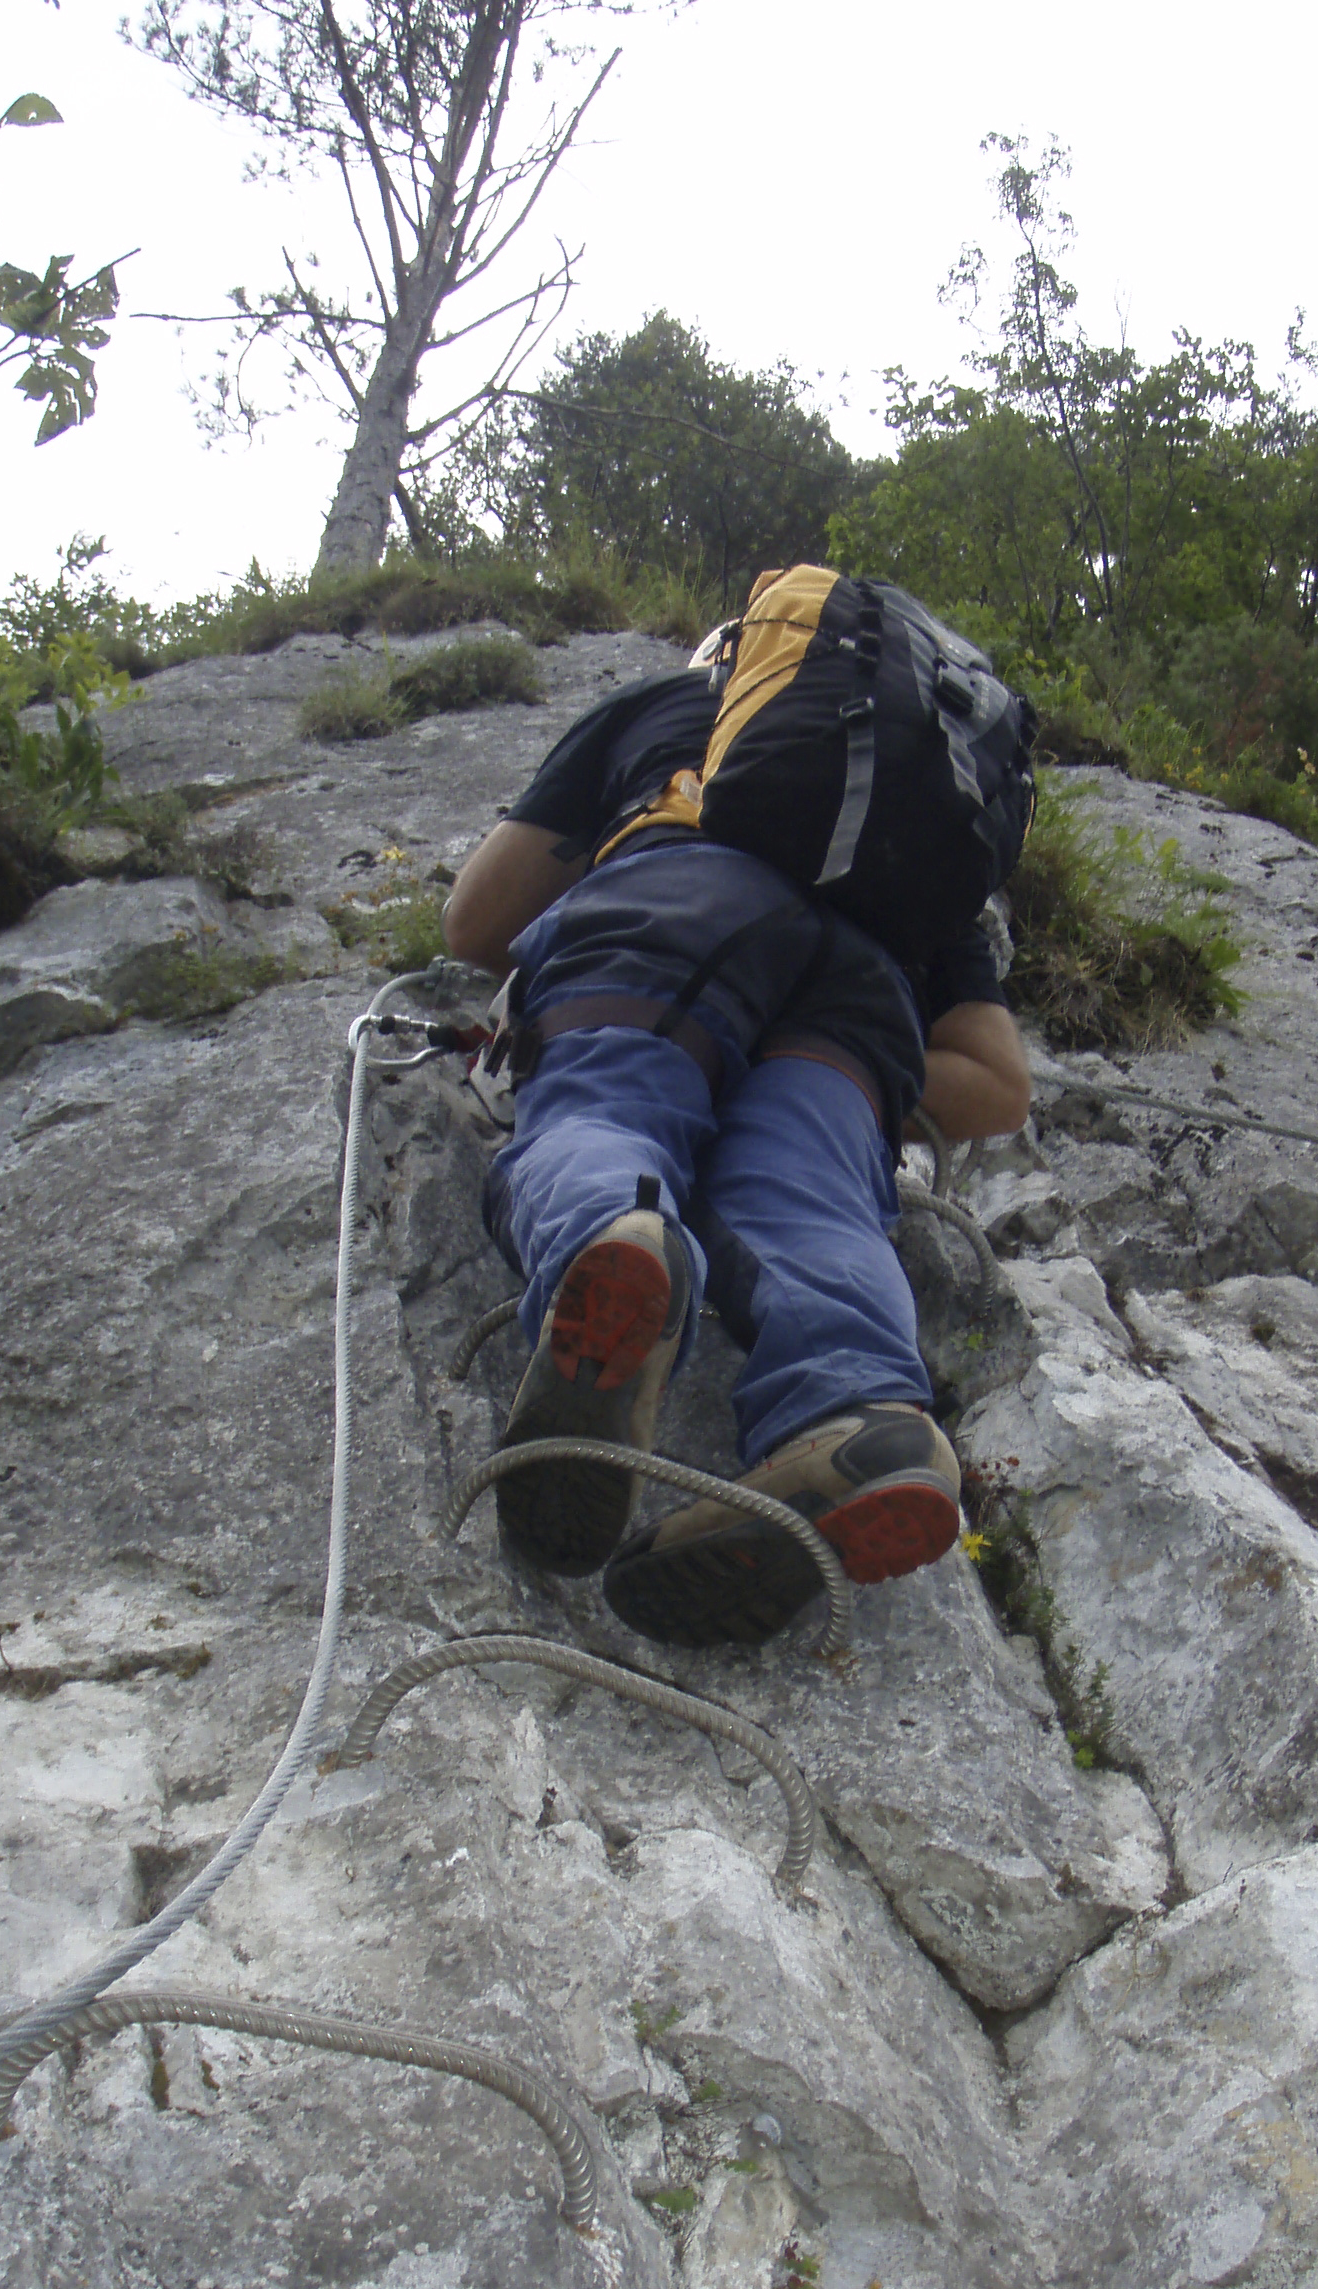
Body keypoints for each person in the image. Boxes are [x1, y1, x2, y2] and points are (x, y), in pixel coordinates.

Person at [442, 632, 1031, 1648]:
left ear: (746, 657)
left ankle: (612, 1236)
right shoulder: (924, 812)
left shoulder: (665, 705)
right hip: (860, 988)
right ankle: (861, 1413)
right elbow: (997, 1087)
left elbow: (474, 921)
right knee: (806, 1204)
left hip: (669, 905)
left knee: (606, 1117)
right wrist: (839, 1060)